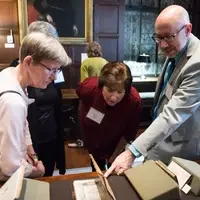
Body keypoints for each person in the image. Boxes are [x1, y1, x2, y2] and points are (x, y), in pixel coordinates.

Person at [104, 5, 200, 177]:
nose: (162, 45)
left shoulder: (197, 62)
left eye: (168, 37)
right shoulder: (176, 50)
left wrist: (131, 152)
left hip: (179, 148)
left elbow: (173, 114)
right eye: (158, 38)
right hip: (158, 139)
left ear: (187, 29)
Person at [0, 32, 71, 181]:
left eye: (57, 70)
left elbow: (24, 126)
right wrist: (36, 171)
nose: (54, 77)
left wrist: (33, 155)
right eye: (50, 69)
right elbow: (10, 168)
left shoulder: (10, 74)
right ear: (28, 62)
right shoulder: (13, 102)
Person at [76, 62, 141, 170]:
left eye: (120, 92)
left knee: (115, 170)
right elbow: (80, 98)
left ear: (126, 90)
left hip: (116, 141)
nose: (113, 98)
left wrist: (115, 155)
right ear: (101, 86)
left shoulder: (134, 101)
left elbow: (129, 134)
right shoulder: (88, 88)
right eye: (110, 90)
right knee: (96, 168)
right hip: (93, 138)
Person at [68, 41, 108, 148]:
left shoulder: (86, 62)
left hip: (88, 95)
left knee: (83, 117)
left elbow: (84, 82)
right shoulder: (105, 62)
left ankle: (82, 141)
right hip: (102, 95)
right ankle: (97, 141)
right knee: (98, 117)